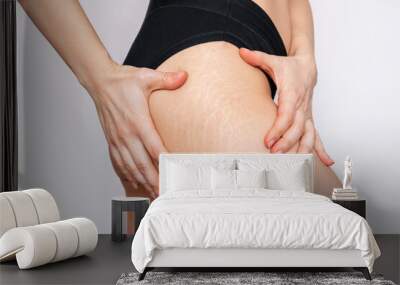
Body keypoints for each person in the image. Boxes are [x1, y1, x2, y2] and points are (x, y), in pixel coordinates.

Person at [18, 0, 340, 201]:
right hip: (204, 71)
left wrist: (303, 55)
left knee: (345, 232)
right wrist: (101, 79)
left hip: (227, 65)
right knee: (344, 234)